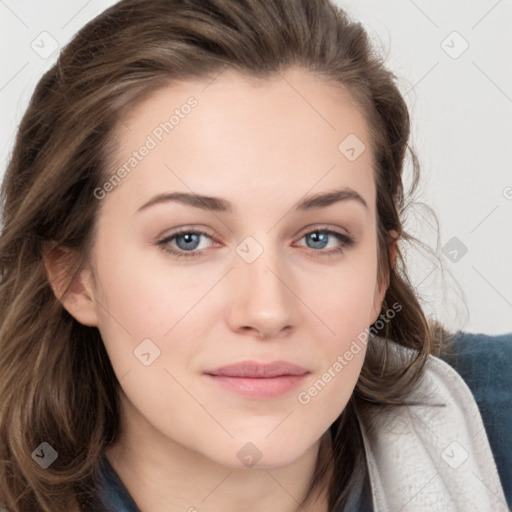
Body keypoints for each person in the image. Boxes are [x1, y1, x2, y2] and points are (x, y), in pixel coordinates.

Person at [0, 0, 509, 511]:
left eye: (320, 238)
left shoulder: (491, 422)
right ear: (74, 277)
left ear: (381, 272)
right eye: (189, 240)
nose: (267, 312)